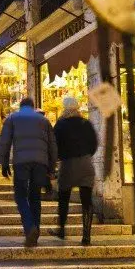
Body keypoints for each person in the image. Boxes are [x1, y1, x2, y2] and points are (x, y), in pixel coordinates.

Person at [0, 97, 57, 248]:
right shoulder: (44, 121)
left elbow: (4, 142)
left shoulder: (12, 118)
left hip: (21, 162)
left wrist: (4, 163)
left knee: (20, 196)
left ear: (20, 106)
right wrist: (51, 168)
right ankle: (35, 231)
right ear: (33, 107)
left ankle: (30, 228)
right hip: (40, 163)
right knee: (35, 197)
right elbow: (52, 146)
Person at [50, 97, 98, 245]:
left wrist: (56, 159)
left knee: (64, 198)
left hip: (68, 164)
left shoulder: (61, 124)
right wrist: (86, 155)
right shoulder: (86, 123)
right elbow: (94, 143)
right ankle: (86, 236)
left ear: (65, 108)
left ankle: (62, 229)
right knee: (86, 200)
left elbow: (54, 144)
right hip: (86, 164)